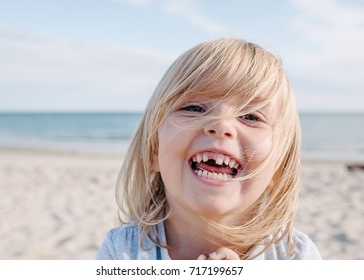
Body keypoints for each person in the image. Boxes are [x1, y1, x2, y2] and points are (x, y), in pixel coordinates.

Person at [96, 38, 321, 260]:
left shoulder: (295, 255)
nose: (220, 125)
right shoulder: (123, 250)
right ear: (153, 149)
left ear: (279, 166)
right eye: (193, 108)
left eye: (251, 116)